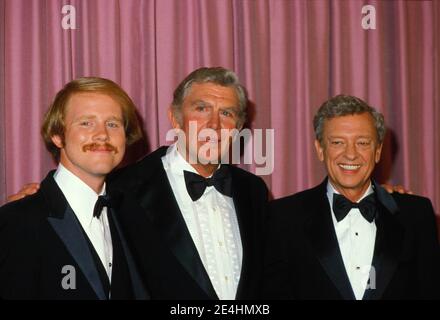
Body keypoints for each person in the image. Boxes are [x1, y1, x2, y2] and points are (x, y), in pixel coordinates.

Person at [106, 67, 268, 300]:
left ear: (239, 128)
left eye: (227, 113)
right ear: (175, 118)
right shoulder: (122, 189)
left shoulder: (253, 190)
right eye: (201, 109)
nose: (214, 124)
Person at [263, 94, 440, 300]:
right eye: (338, 142)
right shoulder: (283, 217)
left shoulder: (416, 214)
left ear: (378, 151)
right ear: (320, 149)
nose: (351, 154)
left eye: (363, 143)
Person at [0, 77, 149, 300]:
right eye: (86, 123)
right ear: (57, 136)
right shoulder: (16, 221)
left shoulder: (131, 214)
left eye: (113, 124)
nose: (102, 134)